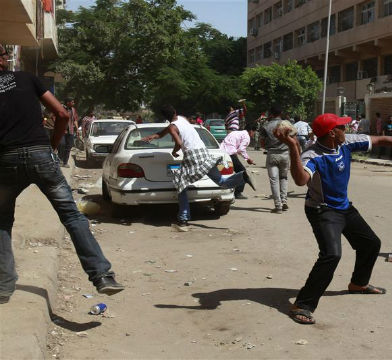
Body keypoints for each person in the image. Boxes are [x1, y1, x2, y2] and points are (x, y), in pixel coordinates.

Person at [273, 113, 392, 324]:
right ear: (332, 132)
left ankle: (358, 284)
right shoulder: (313, 155)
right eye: (342, 126)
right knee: (331, 255)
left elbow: (380, 139)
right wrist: (293, 147)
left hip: (344, 207)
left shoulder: (346, 143)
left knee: (370, 243)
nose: (346, 130)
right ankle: (302, 305)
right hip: (322, 210)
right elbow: (301, 180)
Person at [0, 45, 124, 304]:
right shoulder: (27, 78)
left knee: (1, 223)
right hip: (40, 155)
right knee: (71, 215)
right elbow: (62, 114)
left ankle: (4, 287)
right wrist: (52, 146)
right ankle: (102, 276)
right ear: (4, 59)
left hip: (6, 161)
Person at [142, 105, 255, 229]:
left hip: (192, 156)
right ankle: (243, 176)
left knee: (181, 184)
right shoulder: (182, 119)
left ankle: (183, 218)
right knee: (222, 182)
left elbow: (179, 143)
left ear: (164, 117)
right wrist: (153, 136)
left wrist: (174, 151)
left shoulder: (172, 127)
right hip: (204, 152)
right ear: (175, 112)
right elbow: (164, 132)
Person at [260, 105, 290, 214]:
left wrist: (268, 146)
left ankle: (278, 206)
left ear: (271, 114)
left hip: (272, 154)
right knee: (284, 177)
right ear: (281, 113)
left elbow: (262, 142)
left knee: (274, 180)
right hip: (285, 154)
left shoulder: (266, 125)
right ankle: (284, 200)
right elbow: (293, 137)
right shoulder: (286, 124)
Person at [219, 124, 257, 199]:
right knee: (243, 172)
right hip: (230, 154)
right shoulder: (246, 137)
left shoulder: (235, 132)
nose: (254, 134)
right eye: (254, 132)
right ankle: (238, 192)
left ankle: (223, 190)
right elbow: (241, 149)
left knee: (223, 172)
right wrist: (248, 159)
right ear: (251, 131)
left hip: (221, 153)